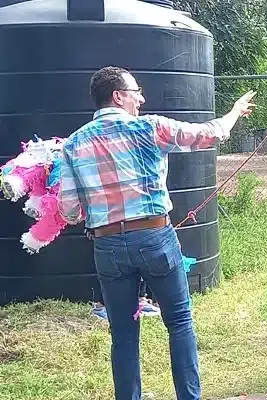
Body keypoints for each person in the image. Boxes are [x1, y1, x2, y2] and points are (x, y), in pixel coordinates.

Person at [58, 66, 256, 400]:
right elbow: (209, 134)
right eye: (137, 92)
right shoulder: (151, 128)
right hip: (155, 237)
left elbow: (70, 211)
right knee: (179, 321)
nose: (142, 98)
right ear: (119, 96)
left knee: (122, 334)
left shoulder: (73, 144)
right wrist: (234, 112)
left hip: (106, 245)